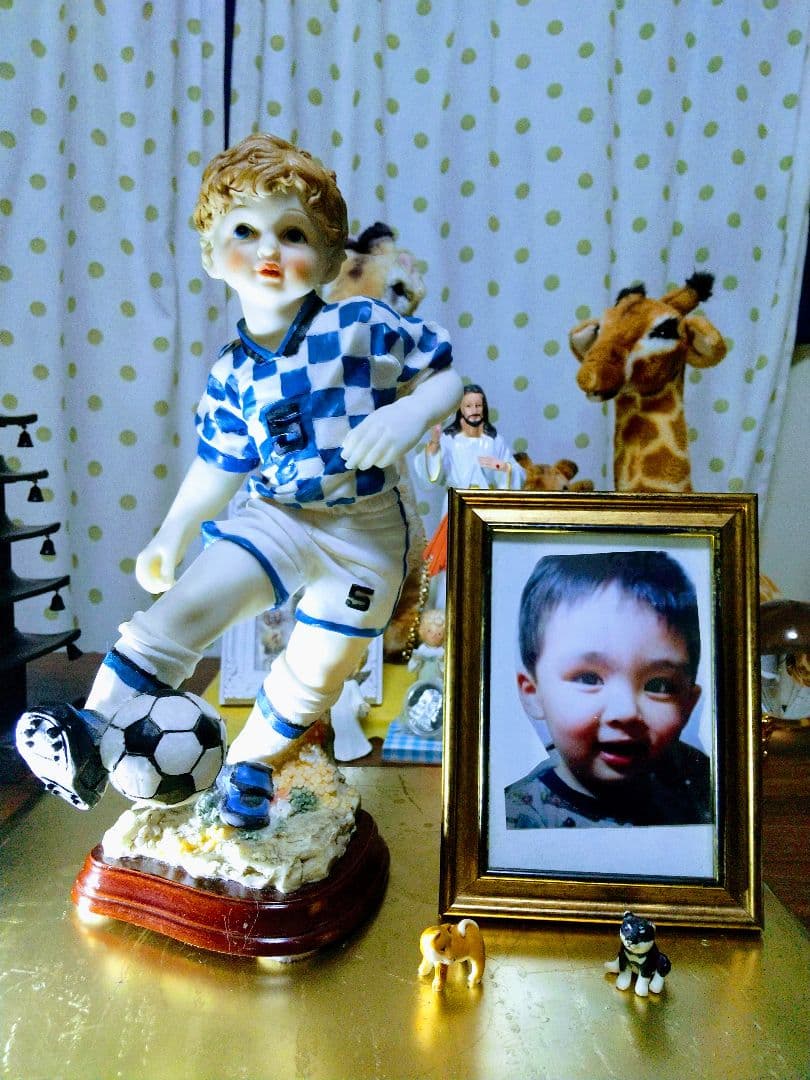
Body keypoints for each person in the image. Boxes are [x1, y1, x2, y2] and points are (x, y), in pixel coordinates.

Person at [17, 133, 462, 824]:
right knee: (185, 607)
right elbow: (219, 463)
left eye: (293, 234)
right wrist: (172, 532)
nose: (268, 250)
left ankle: (250, 764)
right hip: (276, 517)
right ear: (210, 254)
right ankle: (88, 729)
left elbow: (445, 377)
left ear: (328, 258)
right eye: (245, 232)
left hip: (365, 534)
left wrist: (407, 416)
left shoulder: (360, 326)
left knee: (318, 666)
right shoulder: (232, 371)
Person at [504, 550, 711, 829]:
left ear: (688, 704)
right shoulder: (517, 818)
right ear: (533, 694)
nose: (626, 712)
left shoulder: (703, 785)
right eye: (589, 679)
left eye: (659, 685)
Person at [412, 384, 524, 577]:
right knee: (453, 555)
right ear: (460, 409)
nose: (474, 410)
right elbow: (433, 474)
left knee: (482, 555)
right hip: (456, 505)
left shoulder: (494, 440)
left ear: (484, 407)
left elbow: (515, 471)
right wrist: (434, 445)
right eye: (469, 406)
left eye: (478, 405)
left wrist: (502, 467)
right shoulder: (449, 439)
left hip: (484, 505)